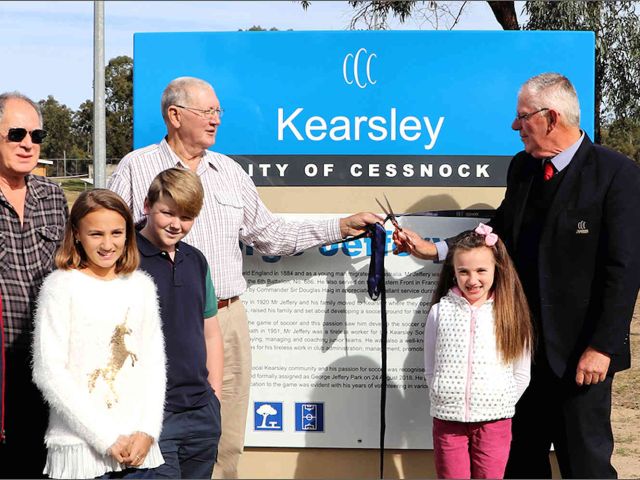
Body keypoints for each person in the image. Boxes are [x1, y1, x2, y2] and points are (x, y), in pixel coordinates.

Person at [108, 76, 381, 478]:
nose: (216, 120)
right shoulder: (137, 167)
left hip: (223, 321)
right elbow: (109, 236)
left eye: (218, 111)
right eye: (207, 111)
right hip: (154, 324)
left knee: (223, 438)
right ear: (175, 115)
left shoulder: (230, 172)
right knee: (152, 441)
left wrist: (340, 226)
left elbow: (270, 235)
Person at [395, 73, 640, 478]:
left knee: (586, 464)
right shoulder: (523, 169)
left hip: (582, 355)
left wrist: (603, 346)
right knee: (521, 463)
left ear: (550, 117)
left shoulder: (616, 174)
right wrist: (436, 249)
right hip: (519, 351)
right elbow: (499, 229)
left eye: (522, 117)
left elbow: (625, 268)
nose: (515, 126)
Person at [31, 189, 166, 479]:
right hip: (82, 451)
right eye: (96, 234)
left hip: (138, 450)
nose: (108, 244)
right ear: (77, 234)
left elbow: (153, 365)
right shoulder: (60, 287)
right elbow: (48, 372)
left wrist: (148, 429)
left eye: (117, 232)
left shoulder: (141, 286)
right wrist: (105, 437)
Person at [424, 224, 532, 479]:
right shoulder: (440, 312)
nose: (472, 280)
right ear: (454, 273)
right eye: (464, 272)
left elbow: (521, 373)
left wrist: (498, 402)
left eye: (481, 270)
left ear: (497, 269)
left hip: (495, 421)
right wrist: (443, 394)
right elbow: (430, 366)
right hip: (448, 420)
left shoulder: (510, 313)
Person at [136, 168, 222, 479]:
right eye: (167, 213)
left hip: (201, 411)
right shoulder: (125, 257)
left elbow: (210, 331)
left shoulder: (196, 260)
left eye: (186, 217)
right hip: (152, 414)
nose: (176, 224)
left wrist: (215, 396)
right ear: (147, 205)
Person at [0, 91, 68, 477]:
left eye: (36, 135)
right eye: (17, 133)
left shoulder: (54, 197)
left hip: (47, 362)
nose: (28, 143)